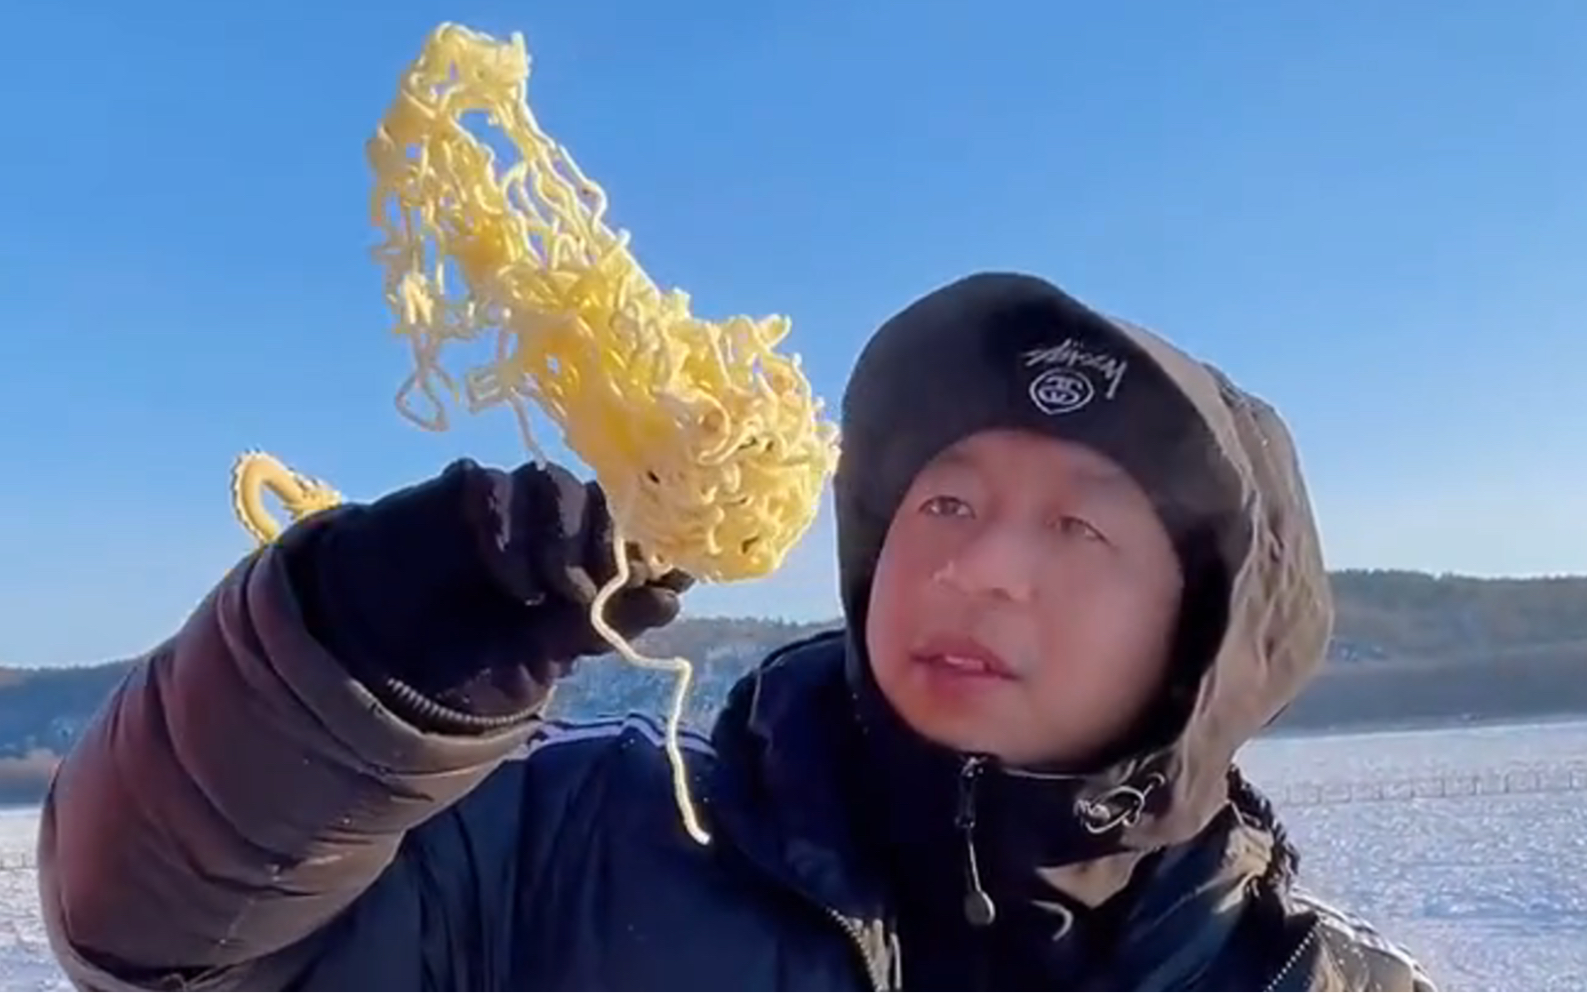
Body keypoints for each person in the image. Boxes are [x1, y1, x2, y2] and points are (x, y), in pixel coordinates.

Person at [38, 272, 1435, 991]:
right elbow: (174, 947)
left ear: (1206, 636)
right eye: (944, 499)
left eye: (1079, 527)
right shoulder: (585, 842)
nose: (979, 567)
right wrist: (363, 658)